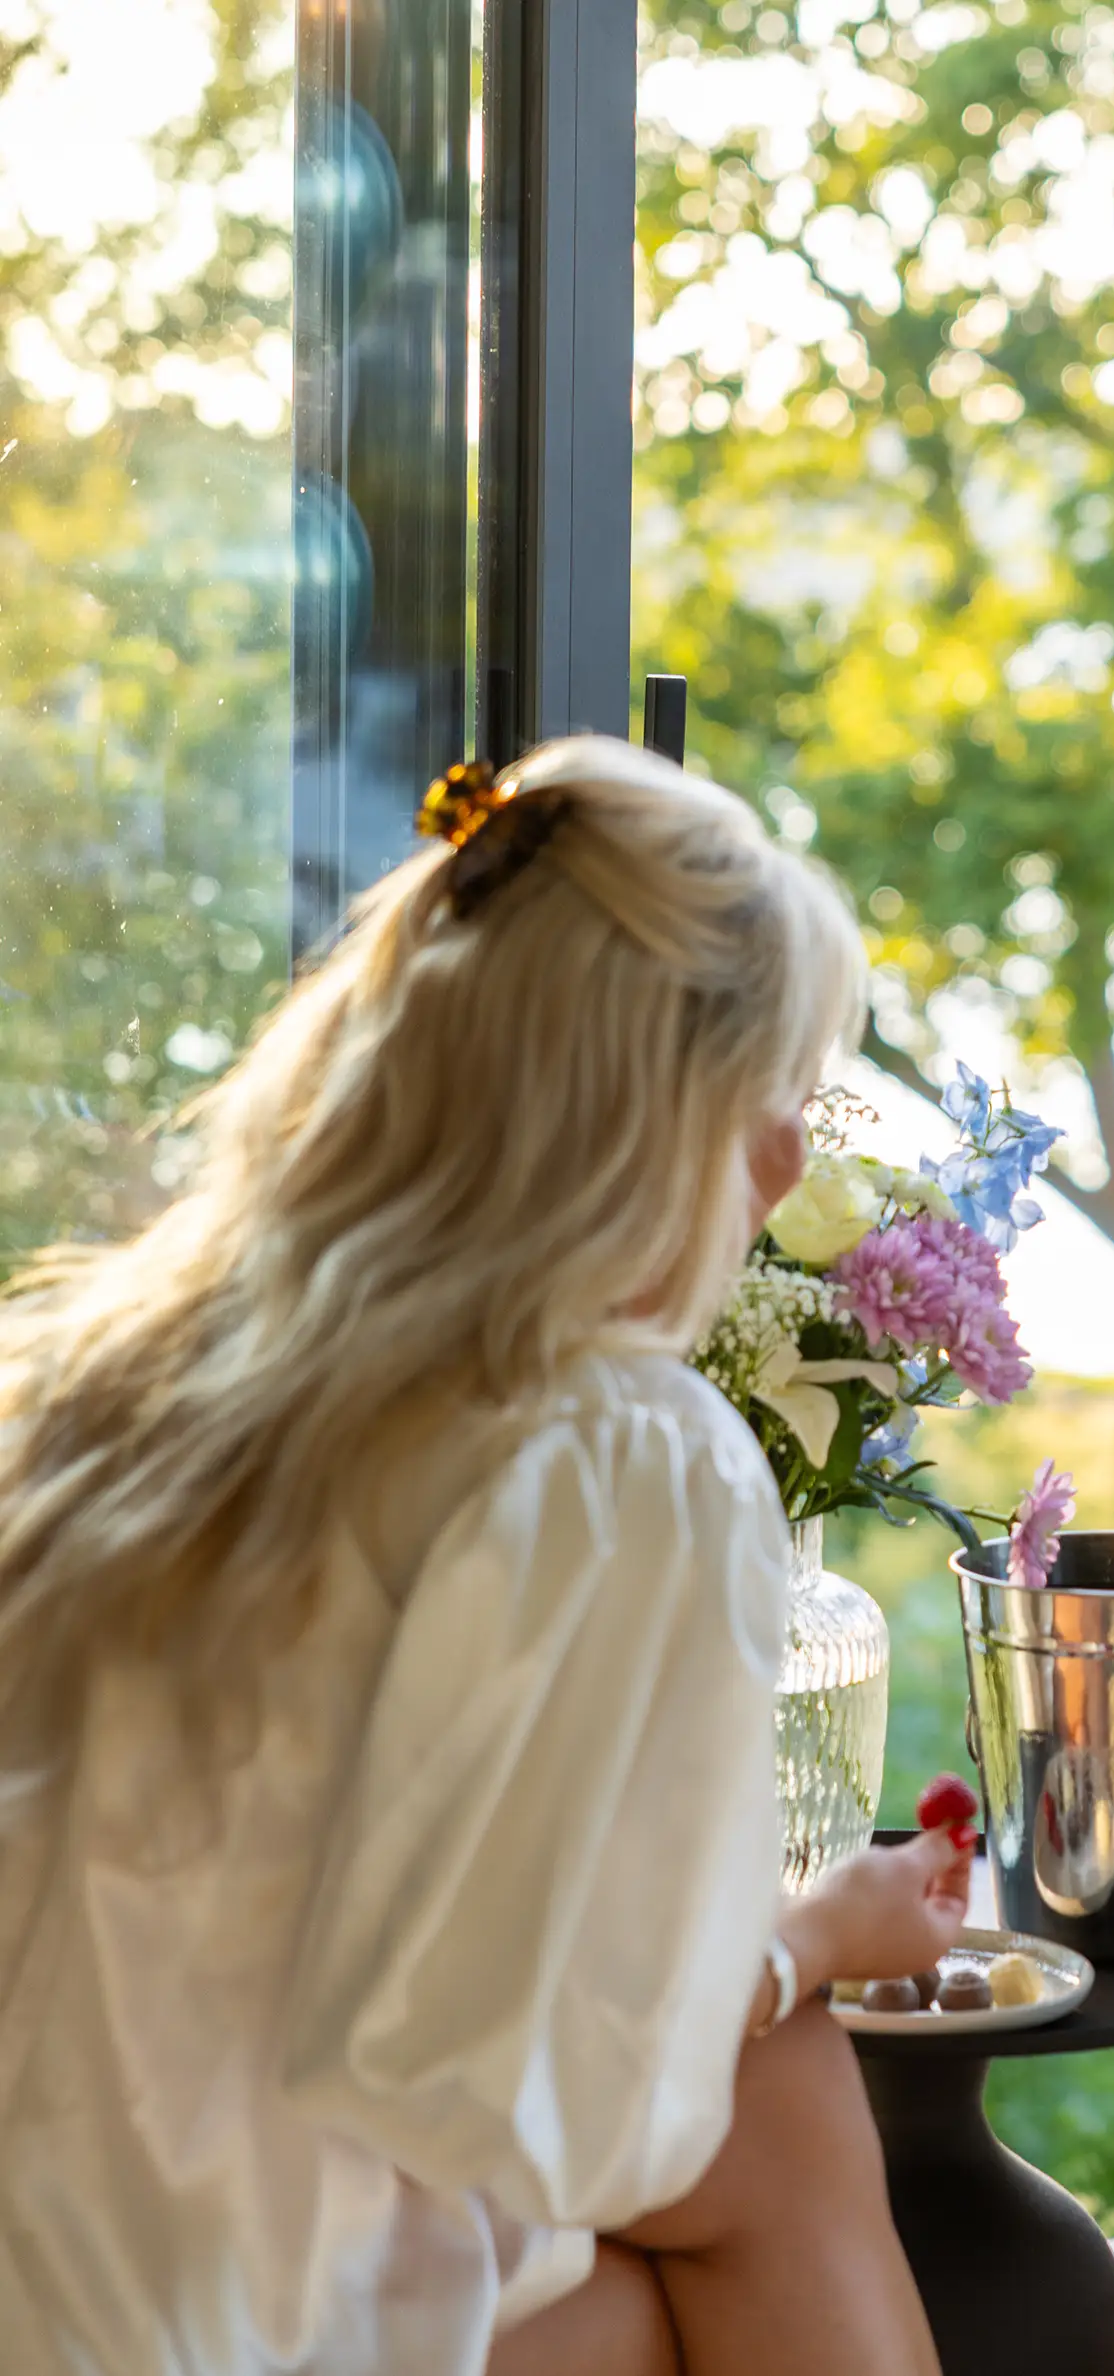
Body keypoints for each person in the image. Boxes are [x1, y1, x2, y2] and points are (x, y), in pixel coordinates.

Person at [0, 736, 971, 2376]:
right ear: (650, 1120)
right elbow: (517, 2104)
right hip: (196, 2324)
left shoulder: (104, 1388)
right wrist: (812, 1941)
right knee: (788, 2091)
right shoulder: (603, 1447)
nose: (791, 1164)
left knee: (699, 2224)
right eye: (771, 1100)